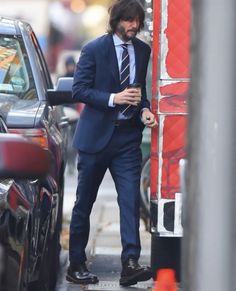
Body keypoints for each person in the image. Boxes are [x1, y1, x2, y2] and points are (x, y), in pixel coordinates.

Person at [66, 0, 157, 287]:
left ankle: (130, 263)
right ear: (116, 20)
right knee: (84, 204)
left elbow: (139, 92)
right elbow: (79, 89)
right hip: (95, 139)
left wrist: (144, 109)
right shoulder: (94, 49)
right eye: (128, 21)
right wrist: (112, 99)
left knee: (130, 202)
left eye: (137, 22)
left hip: (127, 138)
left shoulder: (143, 50)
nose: (133, 27)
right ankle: (76, 264)